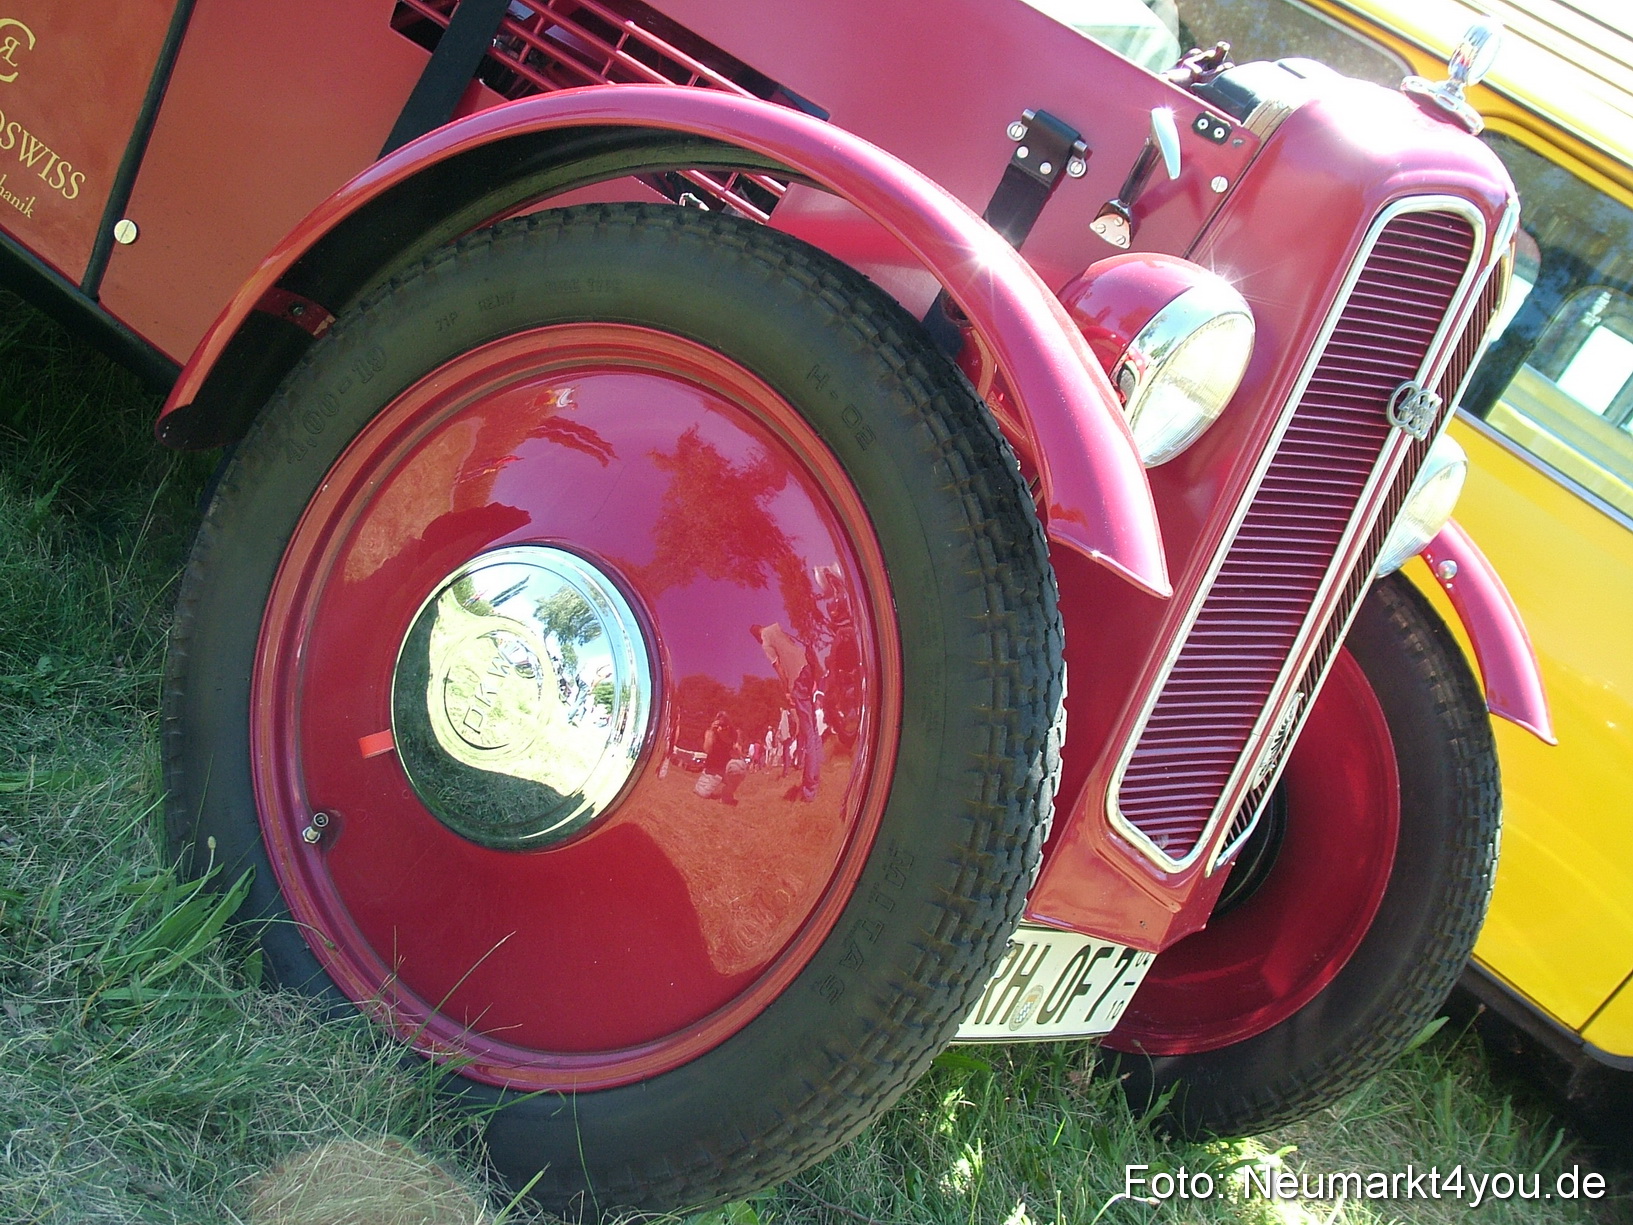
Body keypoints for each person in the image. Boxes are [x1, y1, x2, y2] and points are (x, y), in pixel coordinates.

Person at [750, 623, 822, 802]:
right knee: (814, 730)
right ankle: (817, 777)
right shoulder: (776, 627)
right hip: (807, 668)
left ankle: (809, 790)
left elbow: (779, 668)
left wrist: (787, 690)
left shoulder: (765, 642)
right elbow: (793, 643)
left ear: (756, 637)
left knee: (809, 734)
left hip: (796, 680)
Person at [694, 711, 746, 804]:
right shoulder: (711, 733)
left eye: (725, 724)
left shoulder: (734, 735)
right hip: (712, 769)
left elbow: (740, 755)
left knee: (739, 766)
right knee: (702, 793)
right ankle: (715, 789)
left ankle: (726, 794)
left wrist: (736, 750)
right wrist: (711, 732)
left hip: (727, 770)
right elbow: (707, 750)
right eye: (720, 725)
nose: (722, 728)